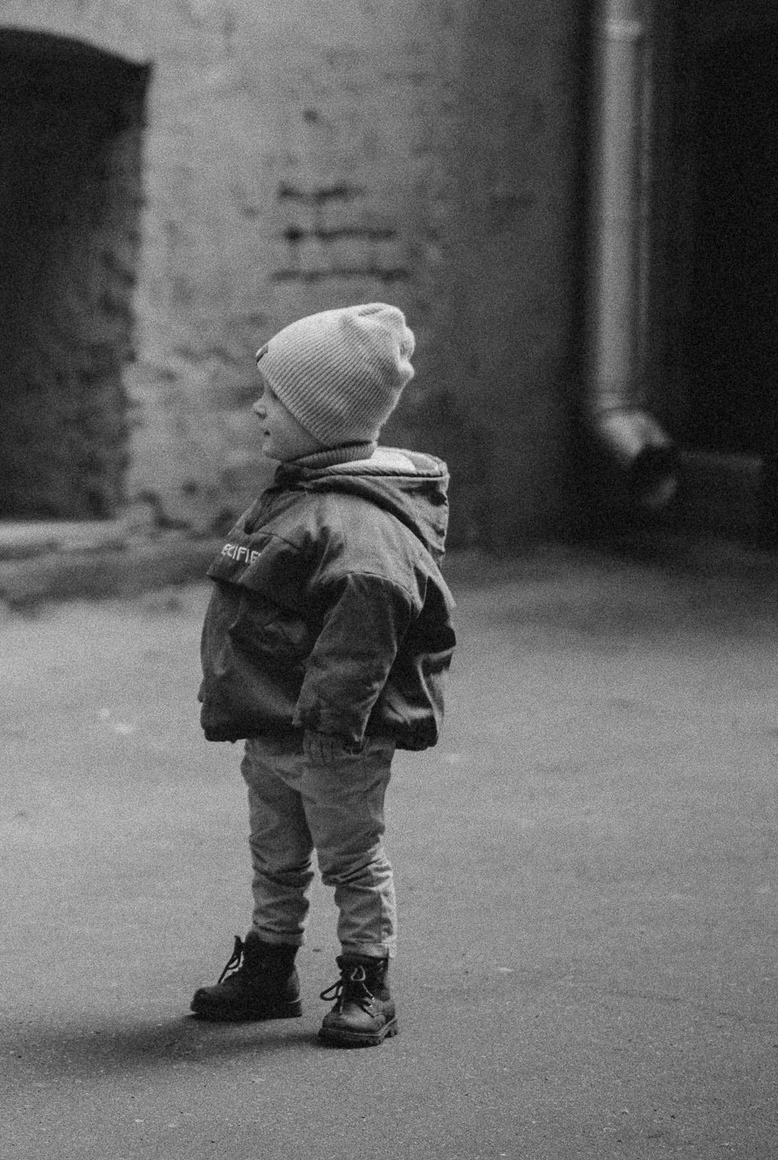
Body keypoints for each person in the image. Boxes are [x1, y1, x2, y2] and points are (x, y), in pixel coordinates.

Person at [187, 303, 456, 1048]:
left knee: (351, 861)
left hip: (332, 739)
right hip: (273, 721)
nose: (257, 408)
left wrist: (332, 729)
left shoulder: (358, 525)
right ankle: (270, 965)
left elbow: (361, 640)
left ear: (322, 415)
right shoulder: (301, 492)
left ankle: (369, 982)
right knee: (275, 855)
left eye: (273, 397)